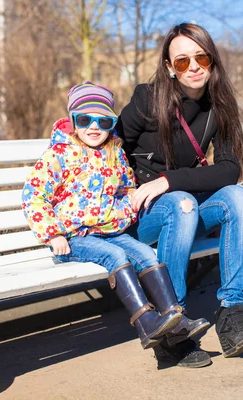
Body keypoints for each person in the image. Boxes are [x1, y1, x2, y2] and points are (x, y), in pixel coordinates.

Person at [117, 23, 243, 368]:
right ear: (169, 68)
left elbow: (229, 169)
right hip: (141, 217)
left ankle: (232, 314)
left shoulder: (219, 106)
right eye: (182, 61)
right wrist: (134, 190)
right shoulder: (146, 100)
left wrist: (168, 180)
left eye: (201, 57)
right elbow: (109, 148)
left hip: (180, 205)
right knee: (181, 204)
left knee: (238, 196)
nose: (194, 66)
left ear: (212, 60)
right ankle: (173, 326)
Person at [21, 81, 185, 350]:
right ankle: (146, 323)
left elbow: (125, 191)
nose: (94, 127)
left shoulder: (115, 154)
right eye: (85, 119)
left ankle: (174, 316)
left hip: (110, 232)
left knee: (146, 255)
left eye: (104, 121)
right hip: (73, 238)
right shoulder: (58, 154)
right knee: (116, 257)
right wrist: (54, 234)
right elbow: (34, 196)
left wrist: (121, 213)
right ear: (73, 120)